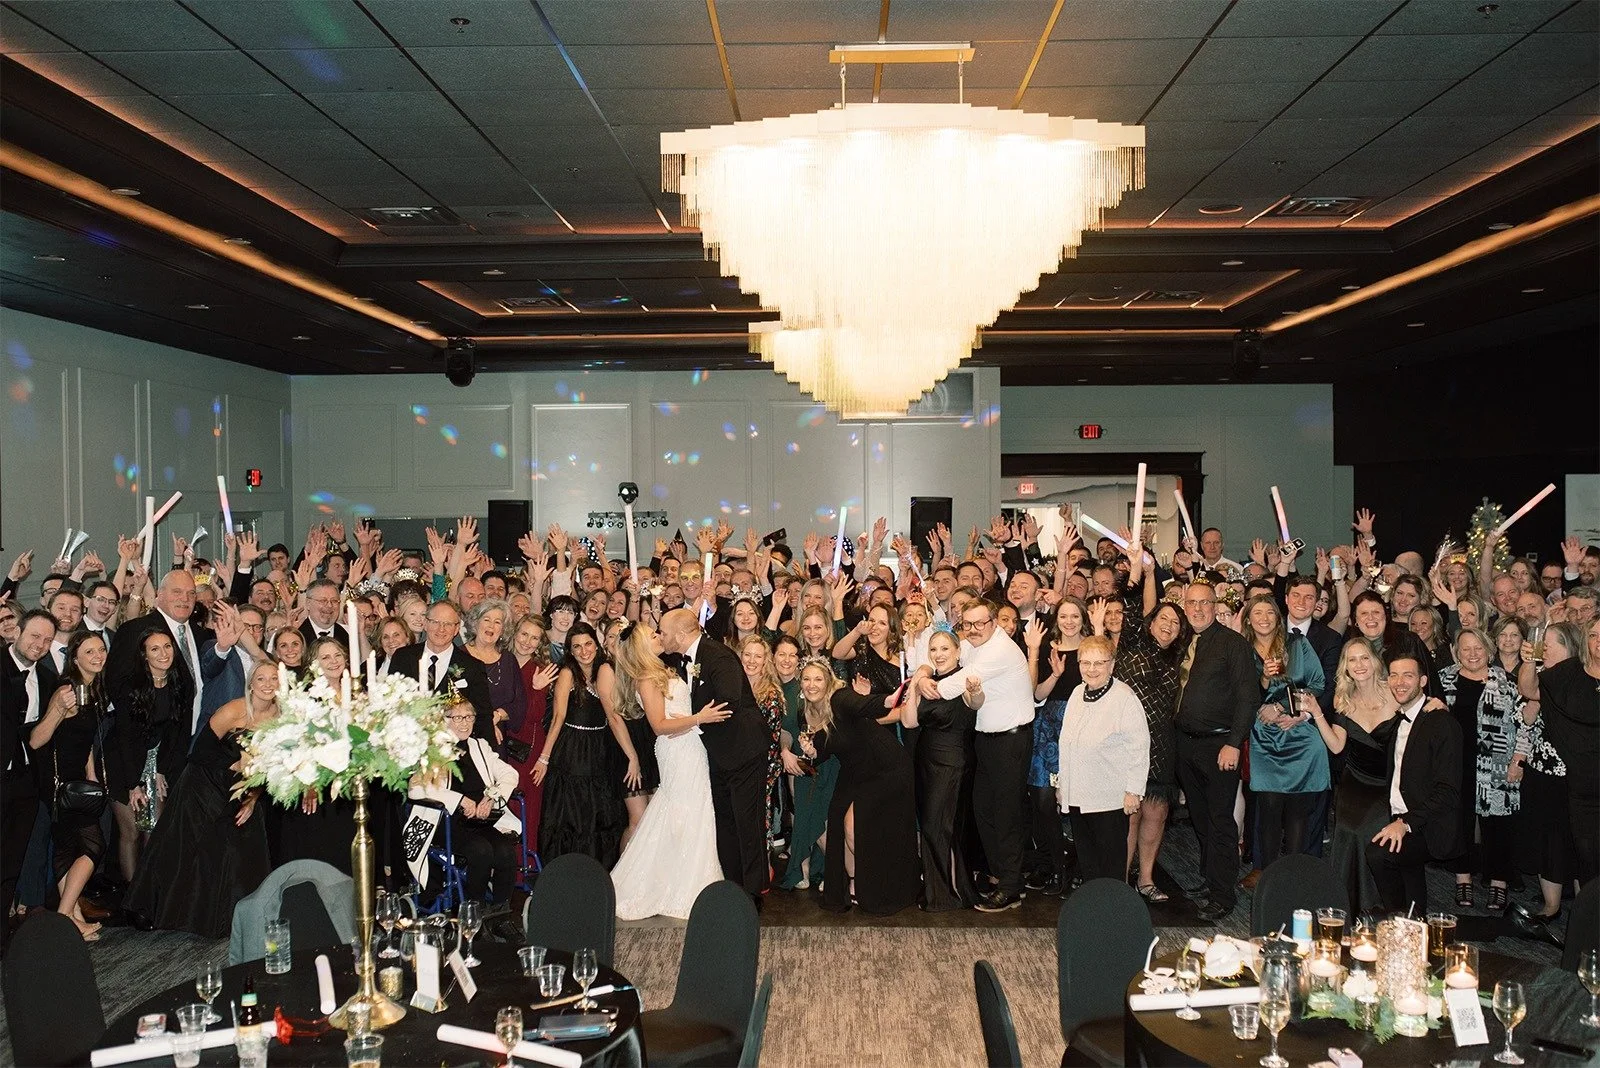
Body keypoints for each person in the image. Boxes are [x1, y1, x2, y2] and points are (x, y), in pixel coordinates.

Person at [124, 658, 278, 937]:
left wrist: (253, 796)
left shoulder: (282, 717)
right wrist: (235, 761)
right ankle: (159, 910)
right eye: (261, 679)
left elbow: (276, 766)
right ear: (251, 685)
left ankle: (232, 920)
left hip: (244, 790)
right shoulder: (233, 710)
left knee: (240, 852)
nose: (267, 685)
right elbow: (200, 751)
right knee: (187, 849)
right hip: (203, 784)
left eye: (273, 679)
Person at [914, 599, 1034, 912]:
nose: (973, 629)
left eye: (980, 622)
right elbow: (947, 654)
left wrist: (926, 682)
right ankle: (1002, 877)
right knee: (984, 812)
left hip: (1011, 741)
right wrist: (926, 670)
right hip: (987, 742)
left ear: (994, 621)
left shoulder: (999, 650)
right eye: (968, 624)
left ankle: (1010, 887)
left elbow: (950, 684)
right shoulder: (974, 644)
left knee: (1006, 815)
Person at [608, 624, 730, 920]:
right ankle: (677, 885)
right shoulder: (647, 679)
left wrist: (692, 721)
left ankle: (689, 881)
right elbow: (659, 726)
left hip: (690, 746)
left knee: (693, 812)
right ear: (641, 647)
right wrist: (699, 718)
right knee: (684, 812)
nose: (660, 636)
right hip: (677, 751)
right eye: (653, 635)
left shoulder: (664, 671)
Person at [656, 608, 773, 904]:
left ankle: (753, 891)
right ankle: (734, 885)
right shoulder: (685, 656)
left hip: (743, 749)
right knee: (726, 821)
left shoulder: (717, 655)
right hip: (720, 755)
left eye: (664, 632)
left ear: (681, 635)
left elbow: (728, 700)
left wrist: (693, 720)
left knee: (747, 821)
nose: (661, 636)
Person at [798, 668, 919, 914]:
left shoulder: (839, 698)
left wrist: (888, 700)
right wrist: (812, 753)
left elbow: (863, 705)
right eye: (807, 679)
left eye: (818, 679)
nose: (812, 685)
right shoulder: (807, 714)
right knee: (837, 818)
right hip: (856, 771)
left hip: (886, 767)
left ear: (828, 682)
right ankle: (854, 883)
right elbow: (823, 750)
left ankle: (879, 885)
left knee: (853, 825)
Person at [1172, 579, 1260, 921]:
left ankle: (1224, 895)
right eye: (1191, 603)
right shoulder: (1181, 643)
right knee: (1200, 817)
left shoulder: (1233, 644)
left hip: (1219, 745)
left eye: (1204, 603)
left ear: (1215, 605)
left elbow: (1247, 697)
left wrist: (1233, 743)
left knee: (1221, 820)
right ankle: (1212, 879)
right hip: (1185, 745)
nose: (1197, 608)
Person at [1365, 647, 1463, 915]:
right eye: (1394, 676)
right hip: (1403, 813)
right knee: (1412, 890)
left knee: (1378, 853)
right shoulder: (1399, 719)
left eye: (1407, 676)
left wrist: (1405, 824)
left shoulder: (1441, 723)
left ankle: (1396, 915)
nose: (1399, 682)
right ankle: (1413, 920)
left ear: (1422, 681)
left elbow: (1448, 791)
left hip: (1430, 825)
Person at [533, 621, 638, 868]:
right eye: (576, 646)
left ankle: (595, 874)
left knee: (597, 815)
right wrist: (544, 758)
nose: (583, 651)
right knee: (570, 817)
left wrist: (631, 755)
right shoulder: (568, 672)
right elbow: (558, 718)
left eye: (588, 643)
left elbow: (614, 718)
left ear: (597, 644)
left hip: (599, 748)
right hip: (571, 750)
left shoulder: (605, 669)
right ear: (570, 650)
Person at [28, 631, 110, 940]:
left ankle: (74, 919)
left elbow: (84, 740)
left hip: (77, 782)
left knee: (65, 851)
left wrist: (91, 773)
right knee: (93, 846)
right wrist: (60, 709)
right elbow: (37, 740)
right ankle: (64, 917)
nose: (97, 656)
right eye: (89, 652)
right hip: (59, 785)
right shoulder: (65, 690)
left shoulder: (93, 689)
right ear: (74, 658)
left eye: (101, 649)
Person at [1310, 638, 1400, 912]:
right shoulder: (1343, 699)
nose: (1359, 665)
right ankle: (1346, 905)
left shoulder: (1395, 691)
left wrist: (1434, 706)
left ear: (1375, 662)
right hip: (1356, 780)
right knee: (1348, 830)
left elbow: (1422, 708)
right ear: (1345, 667)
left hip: (1388, 782)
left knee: (1371, 833)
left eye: (1364, 658)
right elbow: (1337, 746)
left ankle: (1376, 905)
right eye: (1352, 660)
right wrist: (1317, 713)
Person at [1437, 627, 1522, 911]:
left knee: (1499, 826)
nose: (1472, 654)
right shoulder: (1444, 680)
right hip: (1455, 764)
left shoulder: (1508, 683)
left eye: (1478, 648)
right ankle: (1463, 879)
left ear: (1489, 650)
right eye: (1465, 649)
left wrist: (1517, 761)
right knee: (1458, 822)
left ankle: (1499, 883)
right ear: (1456, 653)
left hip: (1497, 766)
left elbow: (1527, 726)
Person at [1243, 595, 1328, 875]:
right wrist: (1265, 681)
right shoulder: (1242, 650)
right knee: (1268, 808)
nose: (1264, 617)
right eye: (1258, 612)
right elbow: (1241, 696)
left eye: (1270, 611)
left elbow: (1318, 683)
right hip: (1264, 737)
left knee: (1297, 811)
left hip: (1300, 735)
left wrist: (1287, 708)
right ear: (1248, 618)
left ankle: (1293, 876)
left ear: (1278, 617)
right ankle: (1267, 875)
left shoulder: (1297, 644)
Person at [410, 697, 523, 904]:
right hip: (447, 822)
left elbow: (510, 774)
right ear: (444, 720)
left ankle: (500, 912)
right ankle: (474, 911)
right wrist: (460, 800)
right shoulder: (433, 749)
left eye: (469, 717)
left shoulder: (479, 746)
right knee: (481, 851)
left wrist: (492, 797)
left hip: (480, 819)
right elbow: (416, 789)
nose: (464, 723)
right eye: (457, 718)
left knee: (506, 851)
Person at [1056, 635, 1149, 883]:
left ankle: (1113, 915)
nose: (1091, 669)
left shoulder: (1124, 698)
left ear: (1112, 664)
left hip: (1109, 798)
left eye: (1099, 663)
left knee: (1110, 866)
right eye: (1085, 663)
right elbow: (1067, 743)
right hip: (1078, 796)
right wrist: (1062, 785)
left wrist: (1134, 791)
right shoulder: (1077, 693)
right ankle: (1093, 915)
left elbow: (1139, 747)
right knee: (1088, 864)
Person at [1509, 621, 1582, 929]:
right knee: (1546, 842)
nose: (1546, 648)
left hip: (1575, 778)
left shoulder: (1584, 680)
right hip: (1541, 773)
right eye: (1544, 642)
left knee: (1579, 846)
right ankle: (1551, 906)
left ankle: (1583, 912)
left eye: (1554, 643)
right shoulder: (1540, 678)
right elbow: (1525, 695)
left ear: (1572, 648)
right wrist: (1529, 661)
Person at [901, 627, 979, 911]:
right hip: (925, 762)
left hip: (954, 762)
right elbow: (909, 722)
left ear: (958, 652)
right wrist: (914, 684)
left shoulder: (965, 680)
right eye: (933, 649)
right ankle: (938, 893)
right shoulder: (928, 682)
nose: (939, 654)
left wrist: (975, 691)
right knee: (932, 827)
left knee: (942, 828)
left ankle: (952, 894)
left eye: (945, 648)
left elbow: (976, 702)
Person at [1022, 603, 1082, 897]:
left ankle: (1079, 866)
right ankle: (1058, 864)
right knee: (1043, 800)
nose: (1069, 622)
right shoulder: (1049, 648)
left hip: (1082, 729)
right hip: (1049, 729)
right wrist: (1056, 674)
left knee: (1079, 802)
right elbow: (1037, 693)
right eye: (1063, 616)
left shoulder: (1093, 647)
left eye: (1075, 616)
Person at [1534, 617, 1599, 885]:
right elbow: (1529, 689)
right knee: (1587, 858)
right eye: (1594, 635)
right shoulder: (1571, 671)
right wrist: (1530, 661)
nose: (1599, 641)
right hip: (1583, 789)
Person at [386, 600, 494, 740]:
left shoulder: (472, 667)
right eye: (435, 622)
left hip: (454, 751)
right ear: (425, 623)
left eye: (448, 624)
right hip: (407, 745)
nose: (441, 629)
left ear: (456, 629)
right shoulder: (403, 658)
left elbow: (483, 718)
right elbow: (390, 704)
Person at [508, 616, 558, 854]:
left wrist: (537, 689)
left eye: (534, 638)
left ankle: (523, 869)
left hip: (527, 751)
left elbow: (535, 716)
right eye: (524, 634)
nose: (527, 642)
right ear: (515, 633)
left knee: (526, 811)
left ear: (540, 643)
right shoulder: (502, 661)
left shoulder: (539, 670)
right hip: (500, 747)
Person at [462, 598, 528, 751]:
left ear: (503, 630)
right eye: (487, 619)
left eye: (498, 622)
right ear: (475, 622)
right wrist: (485, 722)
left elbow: (519, 704)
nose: (491, 625)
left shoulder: (509, 660)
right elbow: (451, 701)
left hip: (497, 742)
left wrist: (496, 716)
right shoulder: (458, 655)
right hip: (463, 738)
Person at [738, 635, 786, 844]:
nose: (751, 660)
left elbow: (771, 739)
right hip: (737, 767)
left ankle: (764, 866)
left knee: (758, 820)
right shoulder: (733, 687)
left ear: (765, 661)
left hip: (761, 768)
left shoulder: (771, 695)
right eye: (747, 655)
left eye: (757, 656)